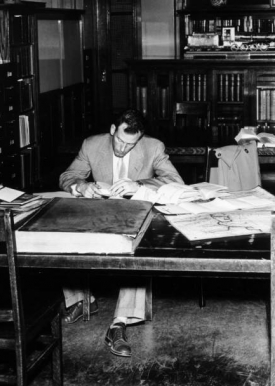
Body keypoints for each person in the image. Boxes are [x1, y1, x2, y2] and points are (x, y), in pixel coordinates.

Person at [59, 109, 184, 357]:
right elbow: (68, 176)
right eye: (120, 141)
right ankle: (81, 299)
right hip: (100, 212)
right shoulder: (92, 145)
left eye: (131, 145)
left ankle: (119, 322)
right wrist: (82, 187)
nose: (124, 149)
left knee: (138, 251)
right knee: (63, 235)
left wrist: (138, 185)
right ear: (113, 130)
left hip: (136, 213)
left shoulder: (153, 147)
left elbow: (176, 183)